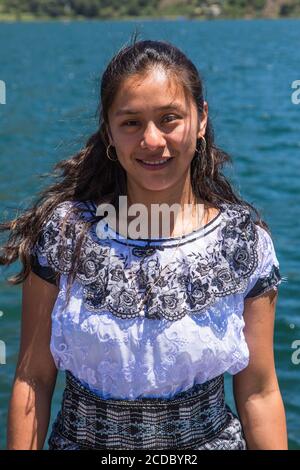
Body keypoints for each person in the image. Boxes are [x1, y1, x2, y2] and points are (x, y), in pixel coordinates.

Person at [2, 37, 288, 450]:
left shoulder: (243, 242)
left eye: (169, 118)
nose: (152, 140)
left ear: (201, 119)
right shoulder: (65, 234)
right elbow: (33, 379)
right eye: (131, 122)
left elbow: (259, 392)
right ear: (109, 132)